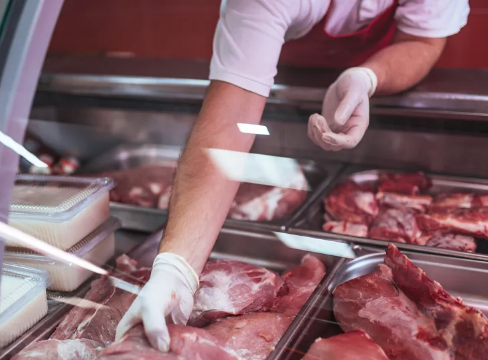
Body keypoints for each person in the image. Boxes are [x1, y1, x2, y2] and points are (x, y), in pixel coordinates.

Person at [116, 0, 469, 351]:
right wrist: (175, 268)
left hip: (382, 100)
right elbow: (229, 127)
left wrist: (368, 77)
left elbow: (422, 42)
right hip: (270, 81)